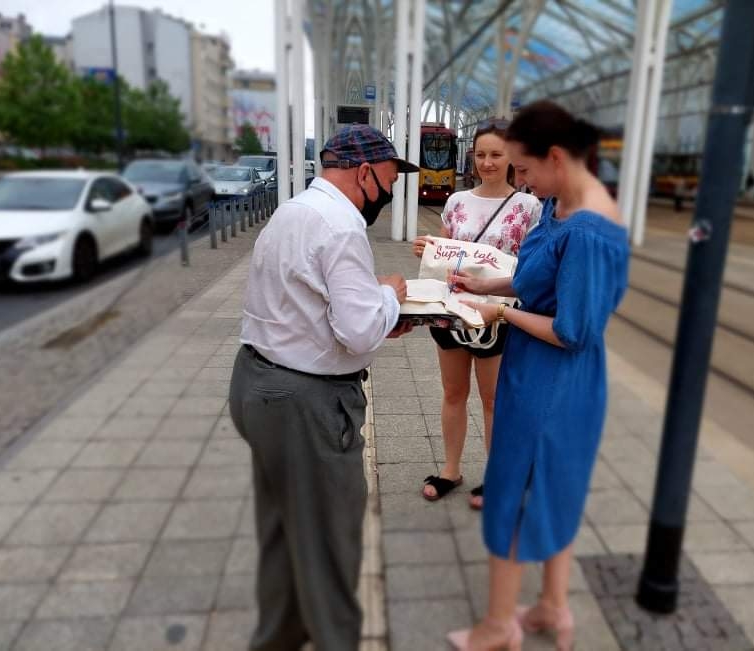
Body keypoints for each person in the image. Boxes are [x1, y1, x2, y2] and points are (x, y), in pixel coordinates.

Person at [446, 100, 630, 651]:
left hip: (554, 381)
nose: (520, 181)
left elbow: (572, 330)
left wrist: (501, 314)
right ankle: (552, 607)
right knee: (554, 489)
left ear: (554, 156)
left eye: (523, 169)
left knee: (512, 490)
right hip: (546, 373)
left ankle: (499, 626)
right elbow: (537, 278)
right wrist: (489, 286)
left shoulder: (589, 229)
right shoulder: (559, 202)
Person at [229, 124, 417, 651]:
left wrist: (376, 310)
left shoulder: (294, 210)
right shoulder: (342, 226)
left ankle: (279, 638)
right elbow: (358, 331)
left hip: (257, 384)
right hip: (304, 405)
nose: (390, 191)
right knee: (330, 546)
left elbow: (308, 304)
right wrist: (391, 296)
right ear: (365, 173)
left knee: (283, 534)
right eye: (389, 180)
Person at [412, 118, 541, 509]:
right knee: (453, 392)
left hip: (496, 314)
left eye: (496, 154)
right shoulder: (456, 202)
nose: (487, 163)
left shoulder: (528, 206)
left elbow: (530, 267)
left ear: (511, 156)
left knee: (493, 400)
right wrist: (428, 253)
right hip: (452, 311)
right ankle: (451, 469)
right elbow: (445, 258)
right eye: (481, 154)